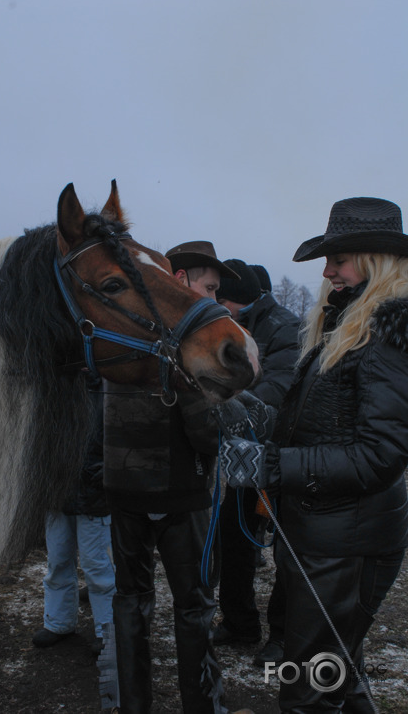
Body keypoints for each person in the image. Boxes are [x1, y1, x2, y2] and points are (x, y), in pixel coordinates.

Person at [220, 197, 408, 712]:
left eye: (338, 259)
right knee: (338, 679)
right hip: (326, 534)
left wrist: (271, 466)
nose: (327, 271)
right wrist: (247, 414)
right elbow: (318, 420)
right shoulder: (342, 323)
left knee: (307, 691)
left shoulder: (386, 335)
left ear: (374, 260)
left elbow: (379, 455)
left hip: (347, 545)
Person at [103, 241, 254, 714]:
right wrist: (230, 412)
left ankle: (133, 704)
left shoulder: (122, 334)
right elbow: (207, 436)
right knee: (193, 607)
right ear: (180, 280)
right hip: (182, 496)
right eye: (208, 287)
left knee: (130, 601)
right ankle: (202, 705)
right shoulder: (182, 347)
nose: (211, 297)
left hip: (123, 490)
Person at [213, 261, 300, 669]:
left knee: (287, 551)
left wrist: (231, 405)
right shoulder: (232, 323)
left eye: (221, 297)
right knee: (234, 538)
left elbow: (279, 385)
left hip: (284, 456)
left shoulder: (285, 328)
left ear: (236, 300)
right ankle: (239, 623)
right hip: (248, 455)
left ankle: (283, 636)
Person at [33, 391, 116, 657]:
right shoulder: (53, 386)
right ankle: (58, 622)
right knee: (57, 560)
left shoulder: (107, 389)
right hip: (58, 492)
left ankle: (108, 631)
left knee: (98, 567)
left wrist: (108, 468)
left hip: (94, 494)